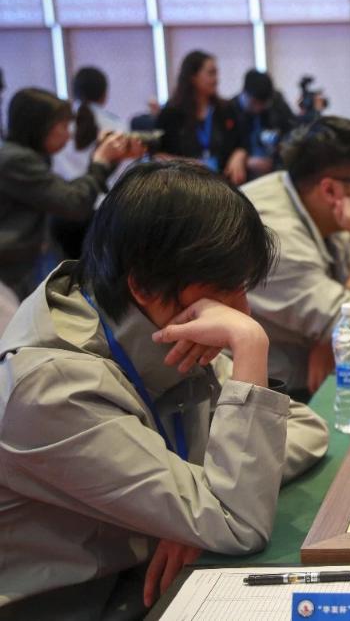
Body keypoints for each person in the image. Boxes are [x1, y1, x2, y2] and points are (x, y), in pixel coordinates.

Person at [0, 160, 329, 619]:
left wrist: (193, 505)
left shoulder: (153, 323)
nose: (242, 311)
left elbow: (307, 427)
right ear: (144, 286)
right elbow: (238, 521)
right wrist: (250, 344)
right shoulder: (53, 387)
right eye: (226, 290)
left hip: (150, 586)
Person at [242, 117, 350, 400]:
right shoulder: (274, 236)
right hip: (267, 396)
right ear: (330, 189)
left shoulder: (306, 199)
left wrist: (329, 335)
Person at [0, 88, 139, 298]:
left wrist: (105, 160)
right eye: (64, 125)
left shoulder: (22, 156)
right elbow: (74, 203)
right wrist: (100, 161)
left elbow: (71, 194)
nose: (70, 133)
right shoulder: (17, 160)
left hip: (23, 262)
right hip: (12, 268)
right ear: (40, 126)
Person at [51, 67, 131, 259]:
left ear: (74, 91)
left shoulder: (57, 126)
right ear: (104, 94)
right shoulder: (117, 126)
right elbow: (125, 173)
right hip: (104, 211)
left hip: (63, 212)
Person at [157, 50, 247, 184]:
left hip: (223, 183)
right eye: (211, 73)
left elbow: (242, 142)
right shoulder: (171, 113)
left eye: (216, 73)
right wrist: (185, 163)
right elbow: (157, 155)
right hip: (185, 184)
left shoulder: (225, 109)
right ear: (193, 77)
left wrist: (238, 156)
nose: (216, 79)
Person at [230, 69, 297, 180]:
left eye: (263, 104)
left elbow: (292, 130)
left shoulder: (276, 102)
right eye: (254, 103)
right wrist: (247, 161)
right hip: (245, 176)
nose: (258, 108)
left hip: (275, 170)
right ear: (244, 93)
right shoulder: (229, 110)